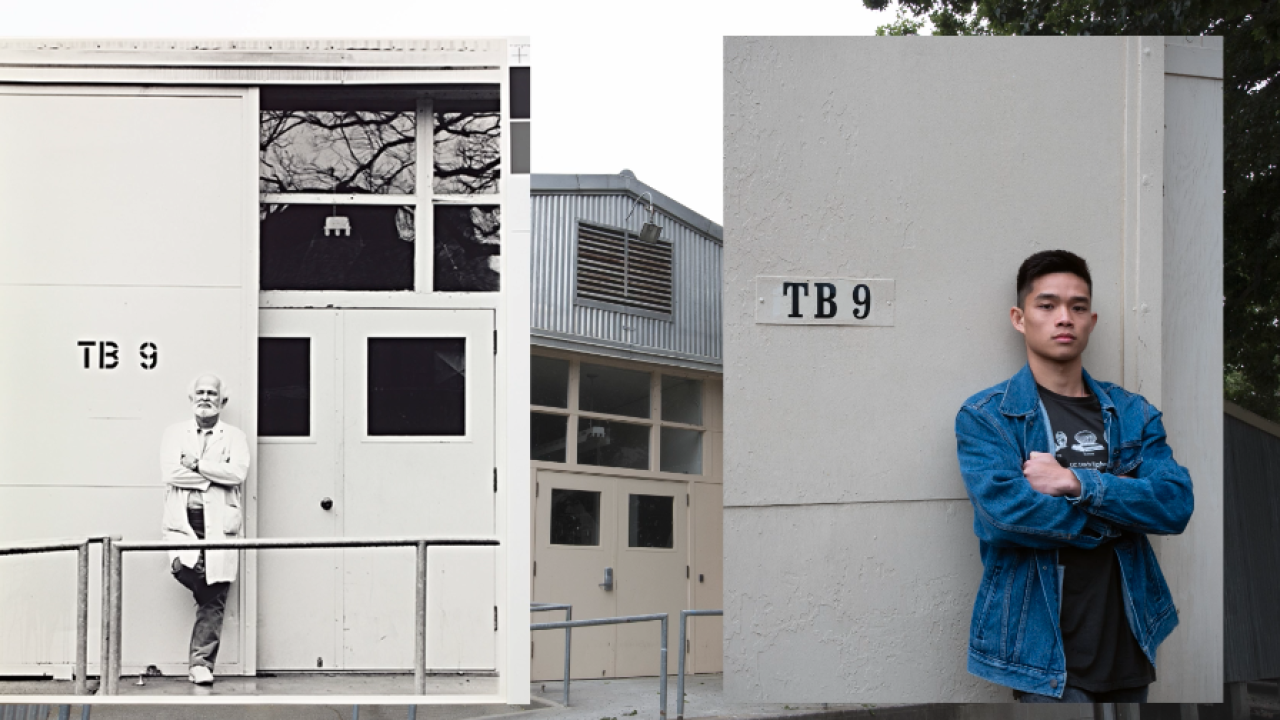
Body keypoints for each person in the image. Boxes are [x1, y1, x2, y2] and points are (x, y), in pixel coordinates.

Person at [954, 250, 1193, 703]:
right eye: (1047, 305)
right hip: (1043, 656)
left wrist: (1077, 484)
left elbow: (1175, 503)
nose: (1064, 317)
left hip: (1130, 641)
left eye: (1078, 306)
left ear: (1091, 319)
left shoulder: (1133, 414)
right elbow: (1003, 515)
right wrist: (1116, 515)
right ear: (1020, 318)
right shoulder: (988, 418)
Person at [160, 374, 249, 686]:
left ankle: (201, 664)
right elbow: (170, 472)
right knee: (187, 571)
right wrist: (213, 477)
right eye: (200, 392)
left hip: (220, 525)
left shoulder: (235, 436)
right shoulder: (175, 433)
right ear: (191, 397)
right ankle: (204, 589)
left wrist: (196, 466)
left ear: (222, 400)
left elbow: (237, 473)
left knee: (215, 597)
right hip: (184, 523)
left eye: (212, 392)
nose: (205, 397)